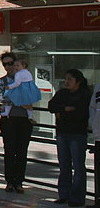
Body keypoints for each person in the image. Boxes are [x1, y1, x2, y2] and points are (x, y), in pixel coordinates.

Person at [48, 69, 92, 207]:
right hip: (62, 133)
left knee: (78, 167)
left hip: (77, 134)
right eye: (66, 79)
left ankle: (77, 198)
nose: (67, 82)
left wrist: (62, 112)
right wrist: (64, 109)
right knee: (64, 165)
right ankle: (64, 194)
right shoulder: (62, 93)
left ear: (77, 81)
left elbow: (81, 113)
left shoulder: (84, 95)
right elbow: (51, 106)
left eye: (70, 79)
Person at [0, 51, 33, 193]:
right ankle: (10, 181)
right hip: (8, 119)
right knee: (9, 151)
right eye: (5, 64)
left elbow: (31, 96)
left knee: (22, 151)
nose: (8, 67)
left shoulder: (26, 78)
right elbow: (1, 98)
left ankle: (19, 182)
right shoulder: (1, 81)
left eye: (10, 63)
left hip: (24, 119)